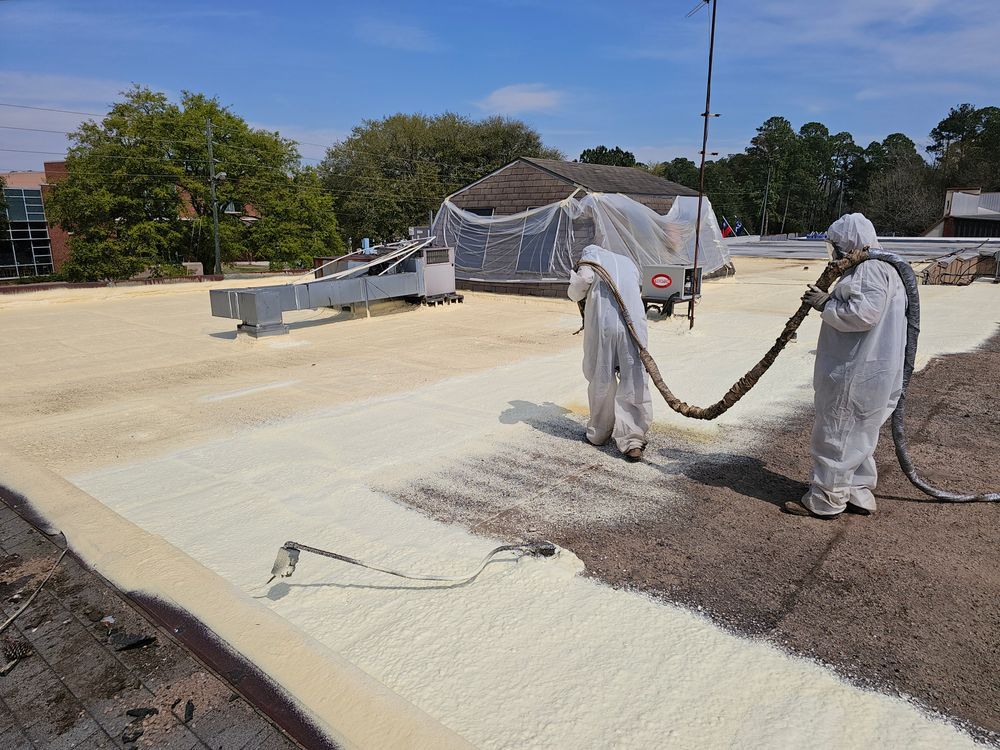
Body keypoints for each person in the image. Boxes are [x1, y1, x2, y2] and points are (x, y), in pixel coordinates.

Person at [784, 213, 906, 518]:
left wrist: (825, 304)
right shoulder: (888, 269)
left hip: (855, 370)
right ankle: (857, 492)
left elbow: (863, 315)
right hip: (873, 368)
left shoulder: (869, 270)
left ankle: (826, 500)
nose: (836, 254)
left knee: (836, 434)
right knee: (859, 435)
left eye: (838, 245)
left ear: (849, 242)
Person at [567, 244, 653, 461]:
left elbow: (581, 285)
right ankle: (633, 440)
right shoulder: (627, 262)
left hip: (605, 328)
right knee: (634, 380)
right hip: (634, 327)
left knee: (601, 377)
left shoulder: (589, 258)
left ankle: (599, 433)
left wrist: (572, 290)